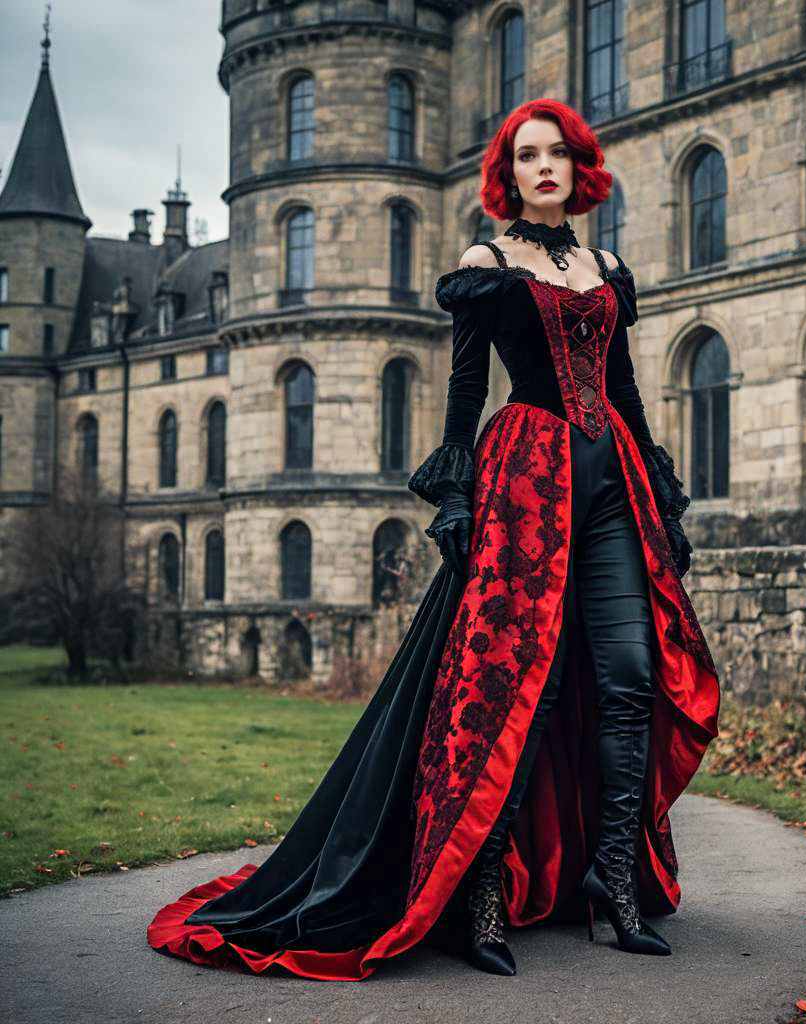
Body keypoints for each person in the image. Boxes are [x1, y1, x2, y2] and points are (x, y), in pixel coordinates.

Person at [146, 98, 720, 982]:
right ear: (510, 171)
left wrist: (662, 496)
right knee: (510, 687)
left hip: (614, 487)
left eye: (557, 154)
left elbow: (625, 387)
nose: (543, 168)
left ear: (579, 167)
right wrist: (455, 493)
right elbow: (463, 390)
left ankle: (614, 884)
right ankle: (481, 900)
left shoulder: (607, 265)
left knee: (630, 678)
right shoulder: (488, 263)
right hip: (527, 478)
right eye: (527, 155)